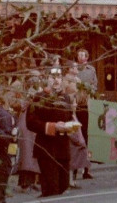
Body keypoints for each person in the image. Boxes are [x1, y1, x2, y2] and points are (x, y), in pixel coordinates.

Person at [25, 65, 73, 197]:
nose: (56, 80)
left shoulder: (66, 98)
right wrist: (53, 127)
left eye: (59, 77)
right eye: (53, 77)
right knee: (52, 190)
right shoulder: (39, 98)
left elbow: (69, 117)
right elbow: (30, 122)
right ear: (47, 79)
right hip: (47, 149)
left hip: (63, 148)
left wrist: (71, 126)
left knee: (63, 185)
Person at [74, 49, 96, 181]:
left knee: (88, 139)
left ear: (87, 57)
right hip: (77, 106)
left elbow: (95, 85)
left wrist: (89, 91)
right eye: (79, 55)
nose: (80, 57)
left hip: (87, 106)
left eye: (83, 55)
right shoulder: (74, 70)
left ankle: (87, 169)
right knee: (77, 137)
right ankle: (75, 169)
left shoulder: (91, 70)